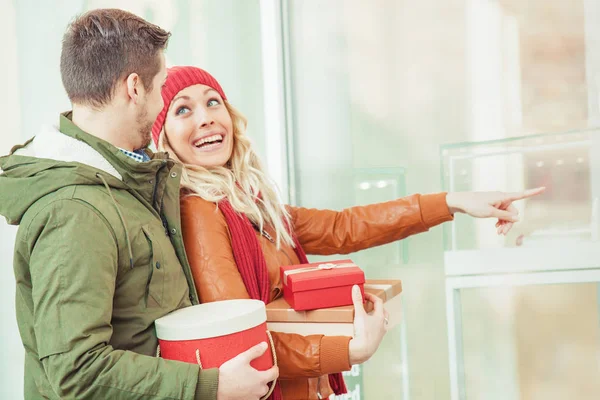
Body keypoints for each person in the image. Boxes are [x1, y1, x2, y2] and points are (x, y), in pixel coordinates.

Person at [152, 66, 544, 400]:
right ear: (163, 137)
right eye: (182, 109)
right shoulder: (199, 210)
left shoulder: (248, 203)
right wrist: (349, 349)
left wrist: (454, 201)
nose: (204, 117)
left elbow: (344, 227)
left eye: (212, 101)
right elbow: (242, 340)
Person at [0, 10, 276, 400]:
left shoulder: (127, 181)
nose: (162, 99)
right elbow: (76, 370)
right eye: (161, 86)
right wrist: (209, 387)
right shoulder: (75, 209)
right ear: (134, 87)